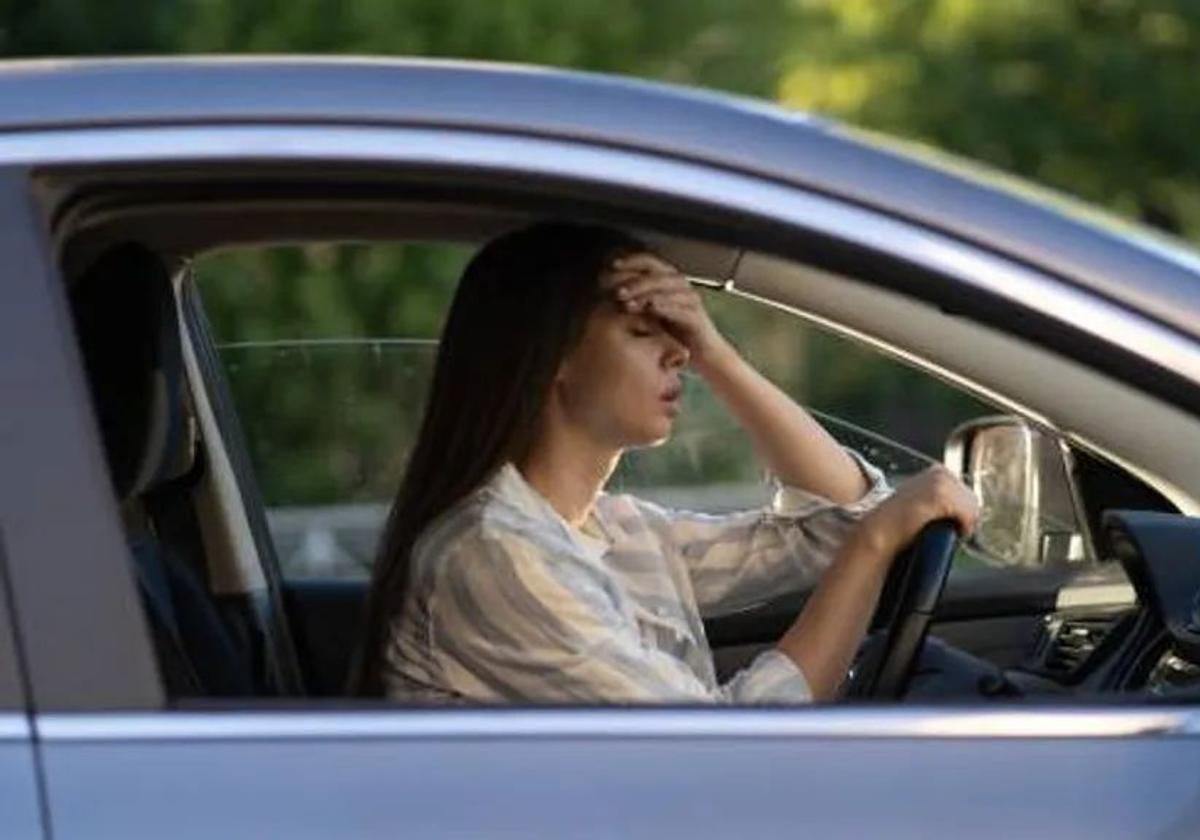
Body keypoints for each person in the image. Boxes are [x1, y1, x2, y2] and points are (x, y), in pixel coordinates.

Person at [350, 222, 978, 703]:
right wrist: (875, 541)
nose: (678, 353)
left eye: (681, 337)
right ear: (552, 357)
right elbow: (718, 754)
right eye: (644, 331)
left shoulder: (617, 531)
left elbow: (834, 523)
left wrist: (716, 353)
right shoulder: (493, 554)